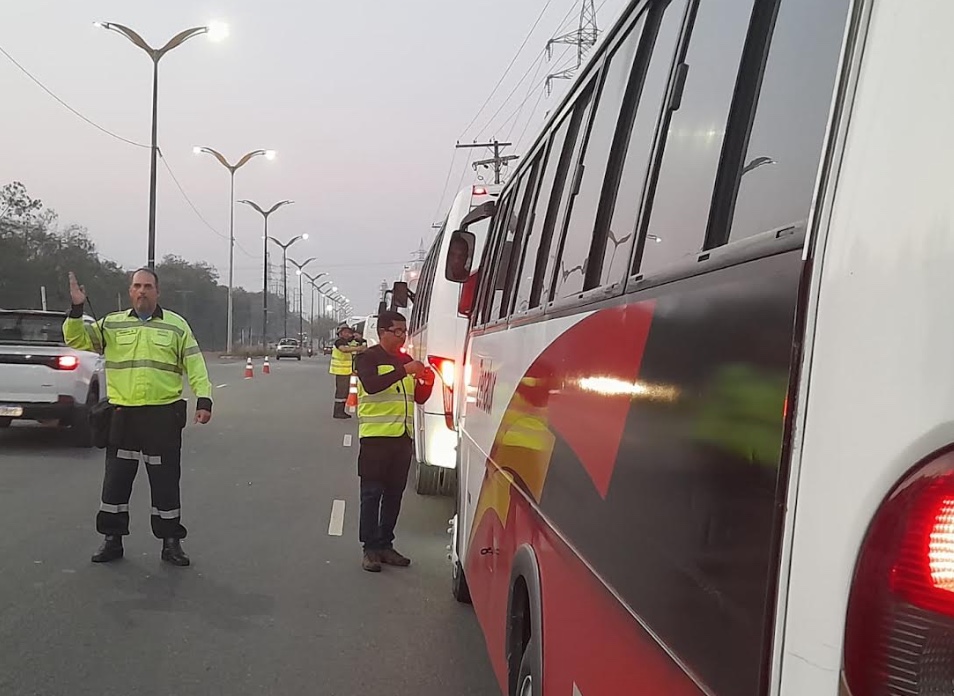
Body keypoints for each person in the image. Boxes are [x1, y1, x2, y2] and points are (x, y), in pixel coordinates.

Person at [63, 269, 213, 567]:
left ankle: (171, 543)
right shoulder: (112, 324)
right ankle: (112, 539)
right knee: (116, 482)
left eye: (147, 286)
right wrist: (77, 308)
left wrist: (204, 398)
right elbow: (77, 339)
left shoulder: (176, 325)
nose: (142, 291)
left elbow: (194, 364)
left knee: (165, 482)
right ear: (130, 292)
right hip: (123, 416)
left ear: (157, 292)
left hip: (162, 415)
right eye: (136, 286)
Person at [354, 310, 434, 572]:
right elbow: (372, 385)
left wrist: (427, 382)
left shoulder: (406, 360)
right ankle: (370, 549)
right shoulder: (368, 357)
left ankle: (386, 544)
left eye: (404, 331)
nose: (402, 336)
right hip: (376, 439)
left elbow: (418, 398)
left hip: (402, 438)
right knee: (371, 494)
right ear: (382, 332)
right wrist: (404, 370)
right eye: (396, 331)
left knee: (394, 495)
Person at [329, 324, 365, 419]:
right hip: (341, 370)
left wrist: (359, 339)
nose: (347, 334)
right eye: (345, 332)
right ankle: (338, 412)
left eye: (349, 332)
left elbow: (359, 345)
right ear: (340, 333)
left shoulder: (348, 342)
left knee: (344, 392)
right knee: (341, 393)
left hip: (346, 370)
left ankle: (341, 411)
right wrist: (358, 348)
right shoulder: (339, 342)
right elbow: (344, 349)